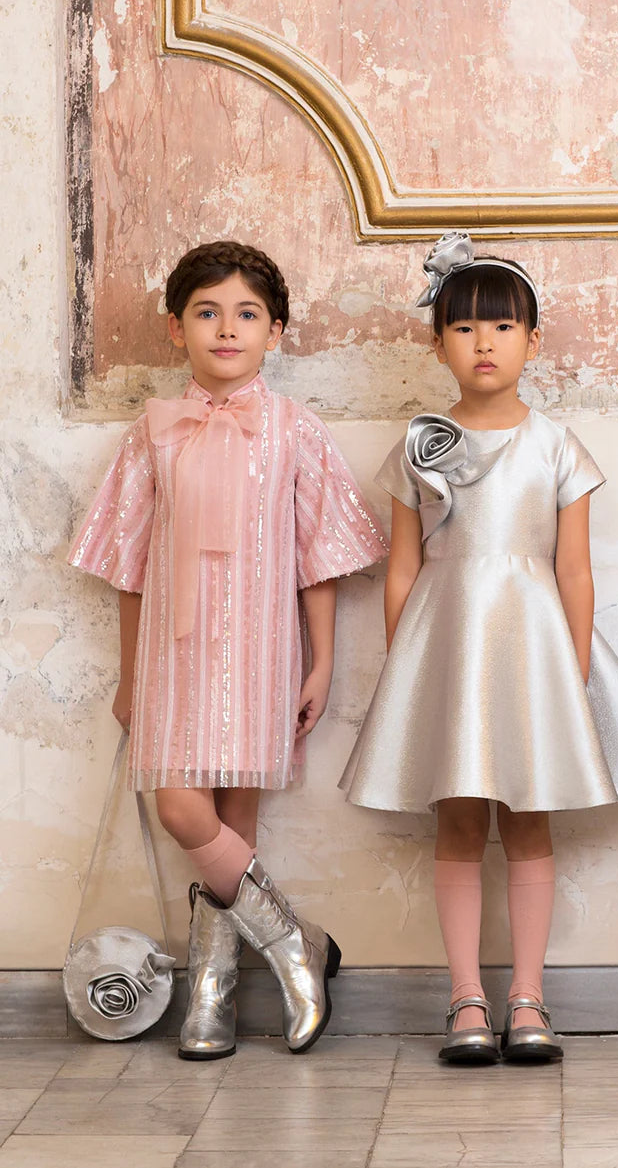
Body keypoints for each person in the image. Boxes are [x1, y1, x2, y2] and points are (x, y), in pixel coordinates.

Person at [339, 232, 618, 1064]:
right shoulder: (420, 446)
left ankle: (528, 996)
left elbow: (574, 569)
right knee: (458, 820)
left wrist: (574, 667)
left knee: (530, 819)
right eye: (463, 328)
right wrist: (406, 671)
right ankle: (465, 997)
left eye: (502, 327)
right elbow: (403, 568)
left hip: (532, 651)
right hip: (446, 649)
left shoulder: (556, 445)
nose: (483, 342)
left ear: (534, 340)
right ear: (438, 344)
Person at [69, 241, 388, 1059]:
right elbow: (129, 566)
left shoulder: (296, 430)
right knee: (182, 807)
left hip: (261, 652)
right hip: (174, 657)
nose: (226, 328)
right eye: (207, 312)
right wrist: (132, 675)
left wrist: (321, 662)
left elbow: (319, 558)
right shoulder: (153, 432)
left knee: (236, 822)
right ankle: (296, 944)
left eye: (247, 314)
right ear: (177, 328)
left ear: (274, 332)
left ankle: (212, 995)